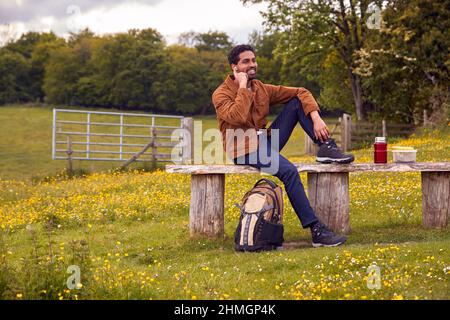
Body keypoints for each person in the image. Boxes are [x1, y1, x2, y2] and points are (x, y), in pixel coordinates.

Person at [212, 44, 354, 247]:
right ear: (234, 67)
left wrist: (316, 117)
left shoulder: (260, 88)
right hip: (244, 149)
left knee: (296, 102)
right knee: (289, 171)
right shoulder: (221, 94)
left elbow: (301, 91)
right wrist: (242, 87)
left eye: (253, 60)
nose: (252, 64)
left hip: (265, 142)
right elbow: (238, 116)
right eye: (246, 61)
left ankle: (326, 147)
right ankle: (316, 231)